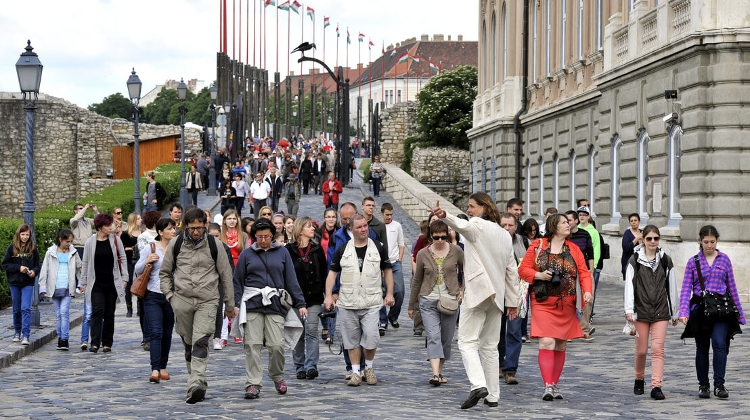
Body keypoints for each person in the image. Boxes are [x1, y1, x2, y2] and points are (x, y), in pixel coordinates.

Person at [432, 194, 519, 409]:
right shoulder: (504, 234)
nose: (469, 210)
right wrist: (512, 302)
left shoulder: (477, 224)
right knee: (490, 346)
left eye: (472, 206)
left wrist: (445, 216)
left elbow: (464, 226)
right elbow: (511, 271)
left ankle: (478, 384)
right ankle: (493, 395)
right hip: (497, 296)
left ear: (484, 207)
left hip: (478, 292)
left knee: (467, 342)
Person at [159, 207, 236, 404]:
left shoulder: (214, 244)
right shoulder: (176, 244)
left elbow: (226, 276)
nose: (196, 232)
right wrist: (170, 296)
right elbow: (165, 272)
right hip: (182, 300)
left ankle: (196, 384)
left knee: (201, 342)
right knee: (188, 344)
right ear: (185, 227)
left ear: (205, 226)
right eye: (192, 228)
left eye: (200, 228)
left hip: (208, 300)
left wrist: (229, 304)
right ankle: (194, 381)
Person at [518, 214, 593, 401]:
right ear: (554, 226)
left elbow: (584, 273)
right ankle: (548, 385)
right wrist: (539, 275)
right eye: (564, 223)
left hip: (566, 303)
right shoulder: (538, 246)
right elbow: (523, 270)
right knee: (546, 342)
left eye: (569, 222)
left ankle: (555, 383)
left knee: (560, 344)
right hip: (543, 301)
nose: (569, 225)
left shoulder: (573, 248)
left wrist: (587, 292)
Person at [233, 218, 307, 399]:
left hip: (275, 304)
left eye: (266, 236)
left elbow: (291, 279)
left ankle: (277, 376)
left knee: (276, 345)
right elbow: (237, 281)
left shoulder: (282, 253)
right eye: (259, 237)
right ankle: (253, 383)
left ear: (272, 235)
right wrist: (235, 304)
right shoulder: (246, 254)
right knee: (252, 345)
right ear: (254, 237)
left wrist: (301, 303)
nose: (263, 240)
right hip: (252, 303)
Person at [324, 214, 395, 387]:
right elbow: (332, 274)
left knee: (371, 336)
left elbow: (388, 270)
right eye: (359, 227)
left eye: (365, 226)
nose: (363, 229)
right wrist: (328, 295)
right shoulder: (343, 249)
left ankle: (368, 367)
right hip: (348, 301)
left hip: (371, 301)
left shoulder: (377, 246)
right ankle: (356, 372)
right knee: (351, 339)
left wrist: (390, 293)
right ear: (351, 229)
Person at [678, 225, 745, 400]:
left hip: (722, 311)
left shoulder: (724, 260)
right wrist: (684, 311)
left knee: (719, 343)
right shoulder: (693, 262)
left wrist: (740, 312)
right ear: (700, 241)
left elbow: (732, 288)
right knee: (702, 348)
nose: (709, 245)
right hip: (700, 310)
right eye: (706, 242)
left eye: (712, 242)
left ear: (717, 241)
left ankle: (719, 384)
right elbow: (686, 288)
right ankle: (704, 385)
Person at [624, 224, 678, 400]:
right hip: (640, 311)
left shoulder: (665, 260)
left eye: (656, 238)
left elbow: (672, 287)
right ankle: (639, 378)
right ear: (643, 240)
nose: (653, 241)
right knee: (641, 351)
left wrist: (675, 311)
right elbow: (629, 287)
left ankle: (656, 385)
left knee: (657, 349)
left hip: (660, 311)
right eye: (649, 238)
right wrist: (629, 309)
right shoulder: (635, 260)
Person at [409, 220, 464, 387]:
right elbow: (417, 280)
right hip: (428, 300)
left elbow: (466, 270)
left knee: (446, 338)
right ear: (430, 236)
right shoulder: (423, 254)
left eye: (443, 237)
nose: (440, 240)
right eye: (436, 237)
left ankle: (440, 371)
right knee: (433, 336)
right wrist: (412, 305)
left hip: (450, 300)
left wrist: (463, 290)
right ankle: (434, 374)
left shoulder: (456, 251)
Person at [134, 218, 177, 384]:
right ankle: (155, 368)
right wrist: (146, 261)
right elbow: (137, 269)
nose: (173, 231)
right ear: (161, 232)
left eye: (174, 228)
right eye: (170, 229)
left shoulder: (178, 249)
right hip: (152, 295)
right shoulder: (150, 247)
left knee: (167, 332)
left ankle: (163, 366)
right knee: (156, 332)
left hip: (172, 296)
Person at [286, 217, 327, 380]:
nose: (312, 229)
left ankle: (311, 365)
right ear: (300, 229)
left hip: (314, 298)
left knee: (311, 331)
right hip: (295, 299)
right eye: (309, 226)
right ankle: (299, 366)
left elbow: (324, 274)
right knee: (298, 333)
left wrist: (328, 295)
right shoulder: (288, 250)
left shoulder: (317, 250)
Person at [80, 213, 128, 353]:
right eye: (107, 225)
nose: (111, 227)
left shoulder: (115, 240)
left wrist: (124, 277)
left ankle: (107, 343)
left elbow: (122, 258)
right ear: (100, 227)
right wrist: (83, 281)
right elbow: (86, 261)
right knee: (97, 311)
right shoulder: (90, 242)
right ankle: (95, 342)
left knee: (109, 313)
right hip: (96, 283)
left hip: (111, 283)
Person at [497, 212, 528, 385]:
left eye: (510, 225)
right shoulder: (494, 243)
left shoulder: (523, 242)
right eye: (503, 225)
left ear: (516, 226)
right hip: (499, 292)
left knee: (514, 331)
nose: (507, 228)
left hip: (519, 292)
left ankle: (510, 369)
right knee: (498, 331)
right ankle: (499, 364)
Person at [38, 228, 80, 350]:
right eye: (68, 241)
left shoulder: (74, 252)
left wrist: (81, 282)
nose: (70, 244)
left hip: (68, 286)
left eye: (71, 241)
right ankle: (60, 337)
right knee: (58, 314)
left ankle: (64, 339)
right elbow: (44, 270)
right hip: (54, 286)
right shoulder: (50, 252)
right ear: (61, 239)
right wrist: (43, 287)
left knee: (64, 312)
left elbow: (79, 267)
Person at [2, 224, 41, 346]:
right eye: (23, 234)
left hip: (27, 283)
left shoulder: (33, 249)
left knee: (25, 308)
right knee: (16, 309)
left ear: (30, 236)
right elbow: (5, 265)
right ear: (19, 235)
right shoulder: (11, 248)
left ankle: (26, 334)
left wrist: (34, 272)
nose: (25, 237)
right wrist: (19, 268)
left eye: (27, 235)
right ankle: (17, 332)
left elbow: (38, 265)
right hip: (14, 282)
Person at [564, 211, 596, 340]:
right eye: (565, 221)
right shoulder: (564, 236)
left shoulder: (585, 234)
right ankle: (569, 330)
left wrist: (591, 270)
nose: (567, 223)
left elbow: (590, 252)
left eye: (569, 220)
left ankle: (584, 329)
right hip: (568, 271)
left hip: (584, 270)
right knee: (569, 300)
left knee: (588, 300)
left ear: (576, 221)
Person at [207, 223, 235, 350]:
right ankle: (205, 336)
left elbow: (230, 268)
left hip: (219, 282)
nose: (214, 239)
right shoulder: (203, 248)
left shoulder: (224, 248)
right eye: (211, 236)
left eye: (217, 236)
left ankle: (217, 337)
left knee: (219, 311)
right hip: (205, 283)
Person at [380, 203, 405, 332]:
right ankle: (382, 321)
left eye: (391, 214)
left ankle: (393, 315)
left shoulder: (397, 226)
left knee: (399, 291)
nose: (389, 217)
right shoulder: (378, 227)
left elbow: (401, 244)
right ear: (381, 213)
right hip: (381, 264)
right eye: (387, 214)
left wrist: (400, 259)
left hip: (395, 262)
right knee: (381, 292)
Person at [577, 206, 601, 328]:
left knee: (590, 292)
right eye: (580, 214)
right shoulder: (575, 230)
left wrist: (594, 265)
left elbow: (595, 250)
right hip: (577, 267)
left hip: (590, 267)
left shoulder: (593, 231)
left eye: (584, 214)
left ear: (588, 217)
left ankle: (588, 316)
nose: (582, 216)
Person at [120, 213, 142, 318]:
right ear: (133, 221)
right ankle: (129, 308)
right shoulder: (125, 234)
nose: (140, 220)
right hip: (128, 260)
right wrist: (130, 248)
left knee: (140, 283)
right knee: (128, 284)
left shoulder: (143, 233)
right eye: (138, 219)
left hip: (140, 260)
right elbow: (120, 248)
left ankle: (139, 307)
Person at [621, 213, 643, 281]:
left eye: (635, 220)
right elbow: (626, 248)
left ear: (639, 221)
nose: (633, 222)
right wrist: (637, 239)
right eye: (631, 221)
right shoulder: (627, 233)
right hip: (630, 262)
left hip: (641, 262)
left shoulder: (642, 232)